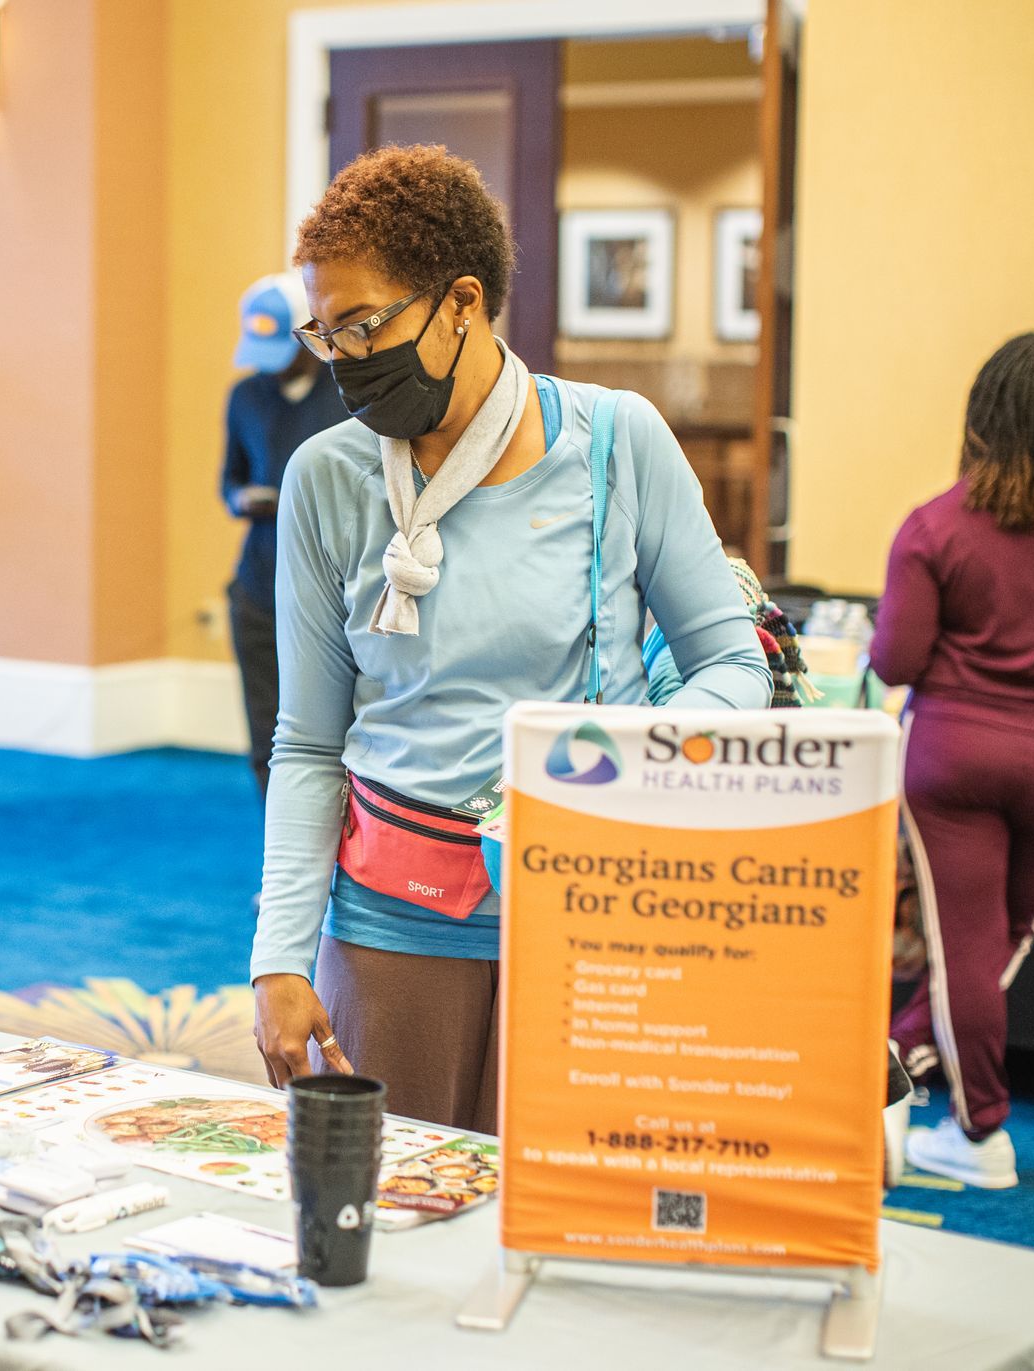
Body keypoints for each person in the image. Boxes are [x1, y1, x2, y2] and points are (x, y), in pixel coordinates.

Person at [249, 145, 769, 1131]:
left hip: (593, 905)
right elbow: (310, 743)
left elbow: (730, 662)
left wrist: (611, 760)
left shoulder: (616, 442)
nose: (345, 361)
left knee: (566, 1228)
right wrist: (279, 953)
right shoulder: (328, 478)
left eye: (364, 326)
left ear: (461, 303)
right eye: (325, 336)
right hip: (390, 919)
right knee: (393, 1216)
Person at [872, 332, 1034, 1191]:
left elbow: (896, 660)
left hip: (955, 763)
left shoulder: (934, 527)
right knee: (1005, 935)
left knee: (965, 946)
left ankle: (976, 1133)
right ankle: (907, 1056)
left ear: (983, 418)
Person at [222, 272, 350, 798]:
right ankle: (280, 870)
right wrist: (242, 499)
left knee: (332, 741)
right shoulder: (245, 396)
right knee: (267, 739)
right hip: (258, 589)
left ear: (310, 334)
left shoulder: (346, 394)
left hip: (329, 594)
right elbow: (228, 481)